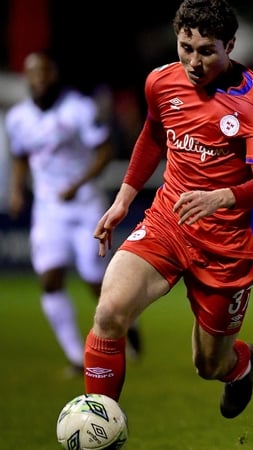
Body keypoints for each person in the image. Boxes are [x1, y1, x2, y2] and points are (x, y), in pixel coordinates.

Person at [84, 0, 253, 420]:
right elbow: (154, 135)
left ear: (230, 45)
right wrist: (123, 199)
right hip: (167, 222)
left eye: (206, 50)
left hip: (227, 244)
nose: (193, 61)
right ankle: (99, 427)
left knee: (208, 365)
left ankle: (241, 364)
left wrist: (221, 196)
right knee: (109, 313)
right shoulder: (160, 82)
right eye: (185, 47)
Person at [4, 50, 142, 377]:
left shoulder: (79, 109)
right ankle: (76, 357)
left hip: (85, 206)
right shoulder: (18, 117)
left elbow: (106, 151)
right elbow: (21, 155)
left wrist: (77, 183)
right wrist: (16, 189)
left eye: (44, 73)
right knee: (49, 279)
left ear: (55, 75)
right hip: (48, 209)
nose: (38, 80)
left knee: (96, 282)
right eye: (32, 74)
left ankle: (130, 322)